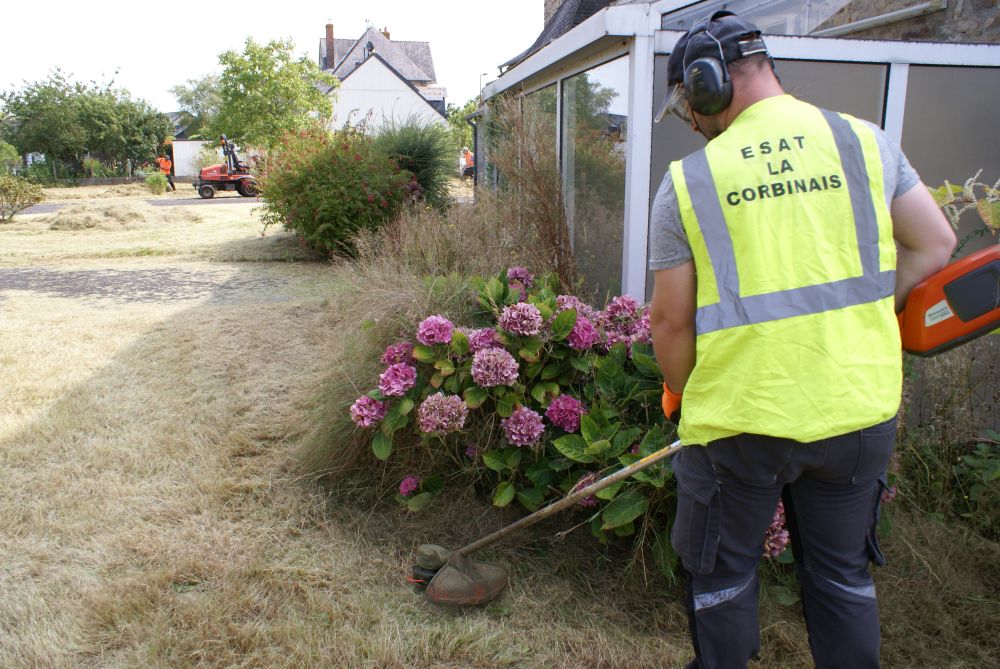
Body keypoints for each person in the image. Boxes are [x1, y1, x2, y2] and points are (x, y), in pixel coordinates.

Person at [647, 11, 956, 669]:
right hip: (857, 409)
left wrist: (679, 391)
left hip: (740, 420)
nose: (694, 125)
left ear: (704, 85)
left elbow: (670, 323)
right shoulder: (865, 142)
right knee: (842, 576)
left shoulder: (690, 182)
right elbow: (935, 243)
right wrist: (867, 309)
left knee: (723, 578)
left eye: (688, 109)